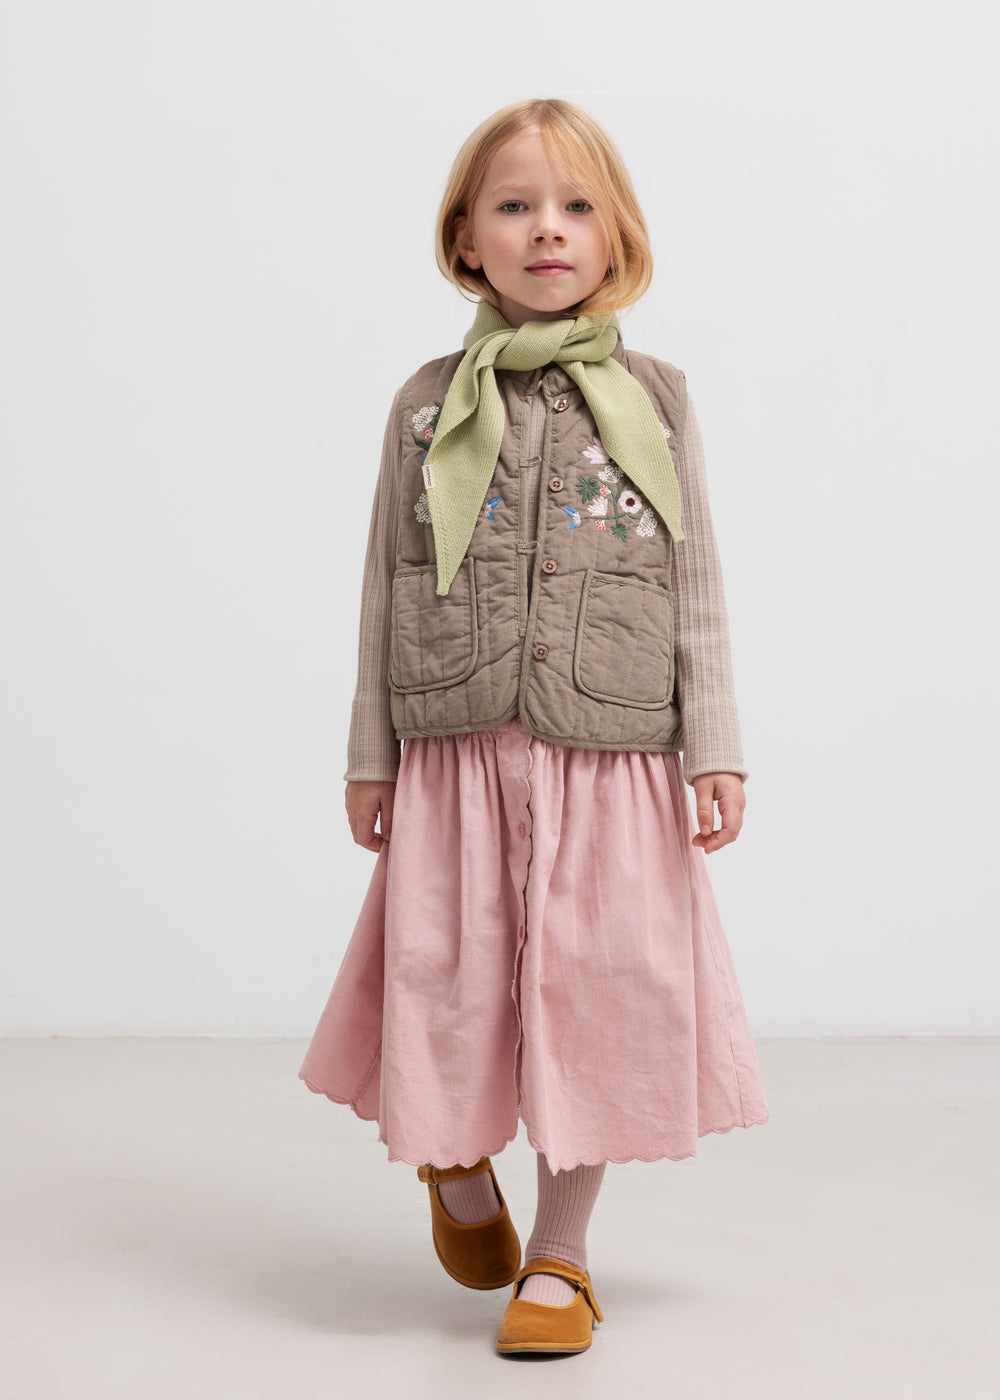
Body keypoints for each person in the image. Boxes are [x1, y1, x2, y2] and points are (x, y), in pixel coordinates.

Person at [300, 97, 769, 1356]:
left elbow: (695, 577)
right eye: (513, 206)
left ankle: (560, 1256)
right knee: (447, 979)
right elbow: (384, 583)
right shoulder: (424, 403)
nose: (545, 229)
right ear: (466, 239)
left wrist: (714, 742)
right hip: (454, 746)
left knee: (597, 994)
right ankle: (452, 1161)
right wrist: (368, 753)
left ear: (617, 237)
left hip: (611, 751)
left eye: (574, 206)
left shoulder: (657, 398)